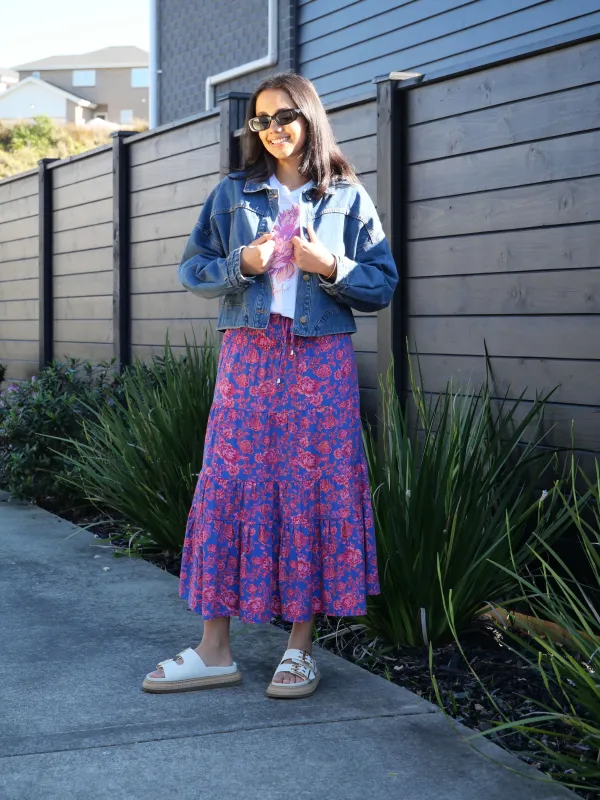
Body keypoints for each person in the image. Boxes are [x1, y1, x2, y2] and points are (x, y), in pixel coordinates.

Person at [142, 72, 398, 699]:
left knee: (314, 486)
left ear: (309, 118)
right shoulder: (232, 193)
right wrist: (242, 264)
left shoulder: (347, 196)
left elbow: (381, 284)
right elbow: (192, 270)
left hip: (320, 361)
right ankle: (215, 649)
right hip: (249, 356)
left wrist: (330, 265)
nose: (274, 129)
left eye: (285, 116)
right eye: (261, 120)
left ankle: (299, 648)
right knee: (230, 481)